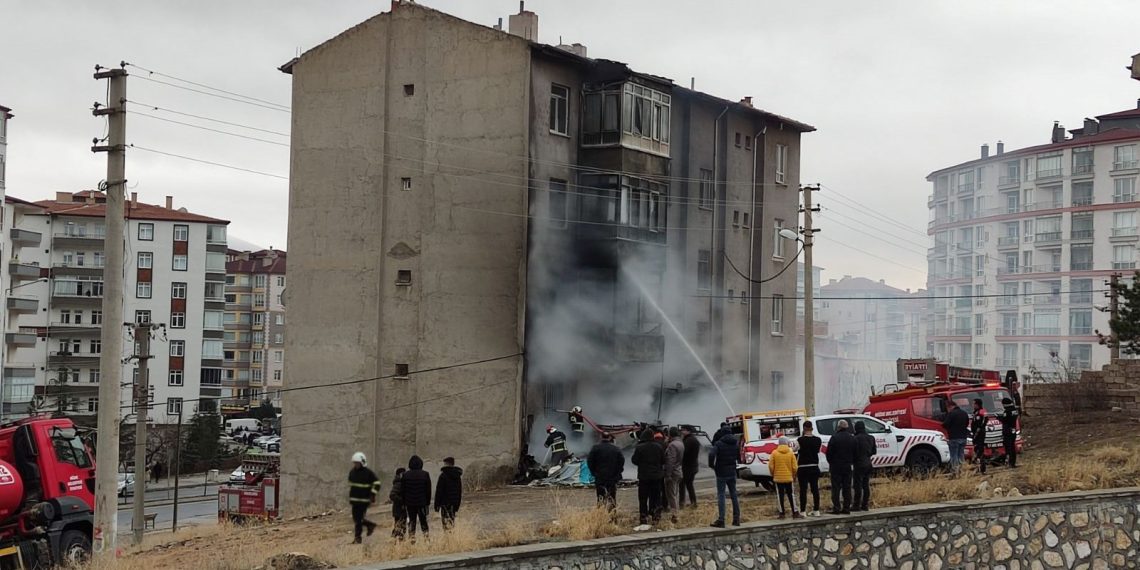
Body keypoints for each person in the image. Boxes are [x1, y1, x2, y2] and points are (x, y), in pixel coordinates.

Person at [631, 430, 665, 525]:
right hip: (656, 476)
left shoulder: (639, 447)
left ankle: (643, 517)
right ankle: (656, 516)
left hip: (644, 476)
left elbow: (634, 460)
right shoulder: (658, 446)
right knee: (656, 496)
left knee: (643, 498)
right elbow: (663, 460)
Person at [708, 430, 741, 528]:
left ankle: (721, 520)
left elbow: (711, 454)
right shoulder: (735, 443)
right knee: (734, 494)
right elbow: (739, 456)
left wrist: (712, 465)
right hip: (732, 472)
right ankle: (736, 519)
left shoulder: (719, 444)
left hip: (721, 472)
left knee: (721, 495)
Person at [347, 452, 380, 544]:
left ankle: (358, 538)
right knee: (356, 519)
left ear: (362, 462)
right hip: (354, 500)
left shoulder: (368, 473)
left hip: (363, 501)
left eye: (357, 463)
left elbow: (377, 483)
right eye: (355, 463)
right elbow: (351, 484)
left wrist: (372, 494)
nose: (356, 465)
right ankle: (370, 525)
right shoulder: (352, 472)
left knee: (358, 520)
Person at [586, 432, 625, 509]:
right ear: (609, 438)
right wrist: (618, 472)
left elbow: (590, 461)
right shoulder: (615, 449)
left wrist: (594, 472)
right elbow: (621, 461)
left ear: (601, 437)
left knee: (600, 497)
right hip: (612, 477)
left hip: (600, 477)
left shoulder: (595, 448)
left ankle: (601, 513)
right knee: (612, 497)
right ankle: (612, 514)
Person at [825, 419, 856, 515]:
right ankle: (846, 508)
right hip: (847, 466)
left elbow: (829, 453)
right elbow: (856, 452)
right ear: (847, 427)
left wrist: (831, 462)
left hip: (836, 466)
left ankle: (837, 508)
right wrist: (851, 461)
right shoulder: (852, 438)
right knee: (847, 487)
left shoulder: (834, 437)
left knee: (836, 488)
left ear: (838, 427)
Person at [400, 455, 432, 539]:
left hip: (410, 503)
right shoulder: (425, 474)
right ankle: (426, 538)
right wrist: (427, 503)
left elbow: (402, 491)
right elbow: (428, 490)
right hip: (422, 502)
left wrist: (404, 503)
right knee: (423, 522)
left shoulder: (405, 475)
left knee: (412, 522)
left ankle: (412, 539)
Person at [769, 437, 801, 519]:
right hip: (789, 478)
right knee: (791, 495)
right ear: (787, 443)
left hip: (778, 478)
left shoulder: (774, 453)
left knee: (780, 495)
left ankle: (782, 513)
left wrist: (773, 474)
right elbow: (795, 467)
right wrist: (793, 475)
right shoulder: (790, 453)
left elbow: (771, 466)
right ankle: (795, 512)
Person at [796, 420, 823, 517]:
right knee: (815, 489)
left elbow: (795, 450)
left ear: (803, 429)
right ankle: (816, 510)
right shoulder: (818, 440)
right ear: (812, 428)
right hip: (814, 466)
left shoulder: (799, 440)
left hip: (803, 467)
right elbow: (818, 451)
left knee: (803, 490)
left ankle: (803, 511)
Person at [852, 421, 877, 512]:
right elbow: (874, 451)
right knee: (866, 485)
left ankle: (856, 505)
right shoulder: (871, 437)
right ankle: (865, 505)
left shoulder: (855, 438)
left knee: (857, 485)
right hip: (868, 463)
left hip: (858, 464)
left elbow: (853, 452)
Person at [434, 457, 463, 529]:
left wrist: (436, 506)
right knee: (452, 522)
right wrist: (457, 505)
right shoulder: (457, 476)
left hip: (445, 503)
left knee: (445, 523)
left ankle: (447, 535)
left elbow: (439, 491)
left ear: (446, 464)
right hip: (454, 503)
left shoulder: (443, 476)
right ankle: (452, 535)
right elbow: (459, 491)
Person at [942, 399, 970, 473]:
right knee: (961, 455)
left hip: (954, 438)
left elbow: (945, 424)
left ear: (950, 407)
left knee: (954, 456)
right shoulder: (964, 413)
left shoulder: (951, 414)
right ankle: (963, 470)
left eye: (947, 408)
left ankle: (955, 471)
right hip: (963, 437)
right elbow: (967, 423)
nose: (947, 410)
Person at [663, 427, 685, 520]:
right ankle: (676, 512)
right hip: (678, 470)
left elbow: (670, 461)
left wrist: (667, 475)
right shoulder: (680, 443)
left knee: (671, 495)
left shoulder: (672, 445)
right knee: (675, 493)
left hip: (673, 473)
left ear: (670, 434)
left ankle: (675, 515)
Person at [680, 425, 701, 508]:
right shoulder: (693, 439)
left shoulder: (688, 440)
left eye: (683, 430)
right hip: (693, 466)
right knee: (689, 484)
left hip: (688, 466)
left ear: (688, 431)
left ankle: (683, 502)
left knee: (684, 484)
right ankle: (693, 502)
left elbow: (684, 453)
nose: (682, 431)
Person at [997, 397, 1020, 468]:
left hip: (1007, 431)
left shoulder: (1007, 411)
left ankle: (1009, 463)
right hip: (1013, 430)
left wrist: (999, 418)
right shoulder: (1014, 410)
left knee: (1008, 447)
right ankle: (1013, 463)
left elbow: (1004, 420)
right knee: (1012, 447)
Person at [972, 398, 989, 474]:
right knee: (976, 449)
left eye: (974, 404)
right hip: (975, 433)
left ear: (978, 404)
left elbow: (983, 422)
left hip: (980, 433)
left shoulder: (982, 411)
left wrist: (977, 432)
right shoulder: (975, 412)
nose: (973, 405)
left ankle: (982, 468)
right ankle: (978, 466)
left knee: (980, 450)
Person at [389, 468, 406, 539]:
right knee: (399, 526)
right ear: (400, 474)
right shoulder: (399, 483)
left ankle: (397, 540)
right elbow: (392, 495)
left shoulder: (400, 482)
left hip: (400, 509)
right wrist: (402, 501)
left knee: (400, 526)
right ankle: (394, 539)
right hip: (399, 509)